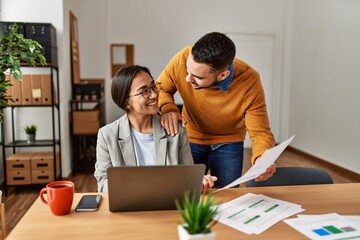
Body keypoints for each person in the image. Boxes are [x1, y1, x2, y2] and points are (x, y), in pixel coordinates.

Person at [156, 32, 276, 187]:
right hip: (191, 136)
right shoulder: (183, 57)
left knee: (227, 195)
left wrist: (262, 159)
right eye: (187, 70)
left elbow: (261, 132)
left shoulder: (249, 80)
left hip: (229, 142)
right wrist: (168, 109)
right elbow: (160, 89)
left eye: (197, 77)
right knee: (185, 190)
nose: (187, 79)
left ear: (223, 75)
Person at [94, 65, 217, 192]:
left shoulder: (175, 131)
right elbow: (103, 183)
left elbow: (188, 176)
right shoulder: (107, 135)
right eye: (144, 91)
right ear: (126, 102)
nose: (154, 94)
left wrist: (198, 181)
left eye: (153, 86)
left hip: (168, 205)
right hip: (130, 207)